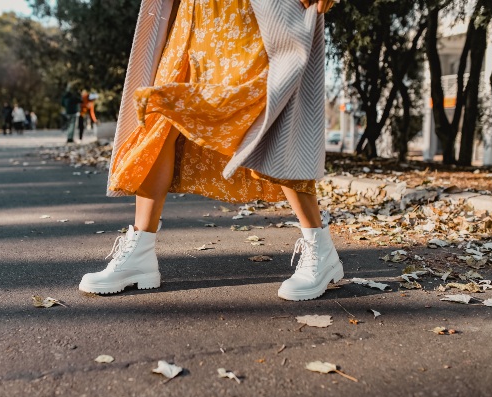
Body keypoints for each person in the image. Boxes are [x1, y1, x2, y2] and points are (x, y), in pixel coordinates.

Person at [79, 0, 343, 301]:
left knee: (269, 114)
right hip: (192, 11)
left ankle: (320, 249)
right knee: (160, 115)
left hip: (249, 11)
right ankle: (139, 252)